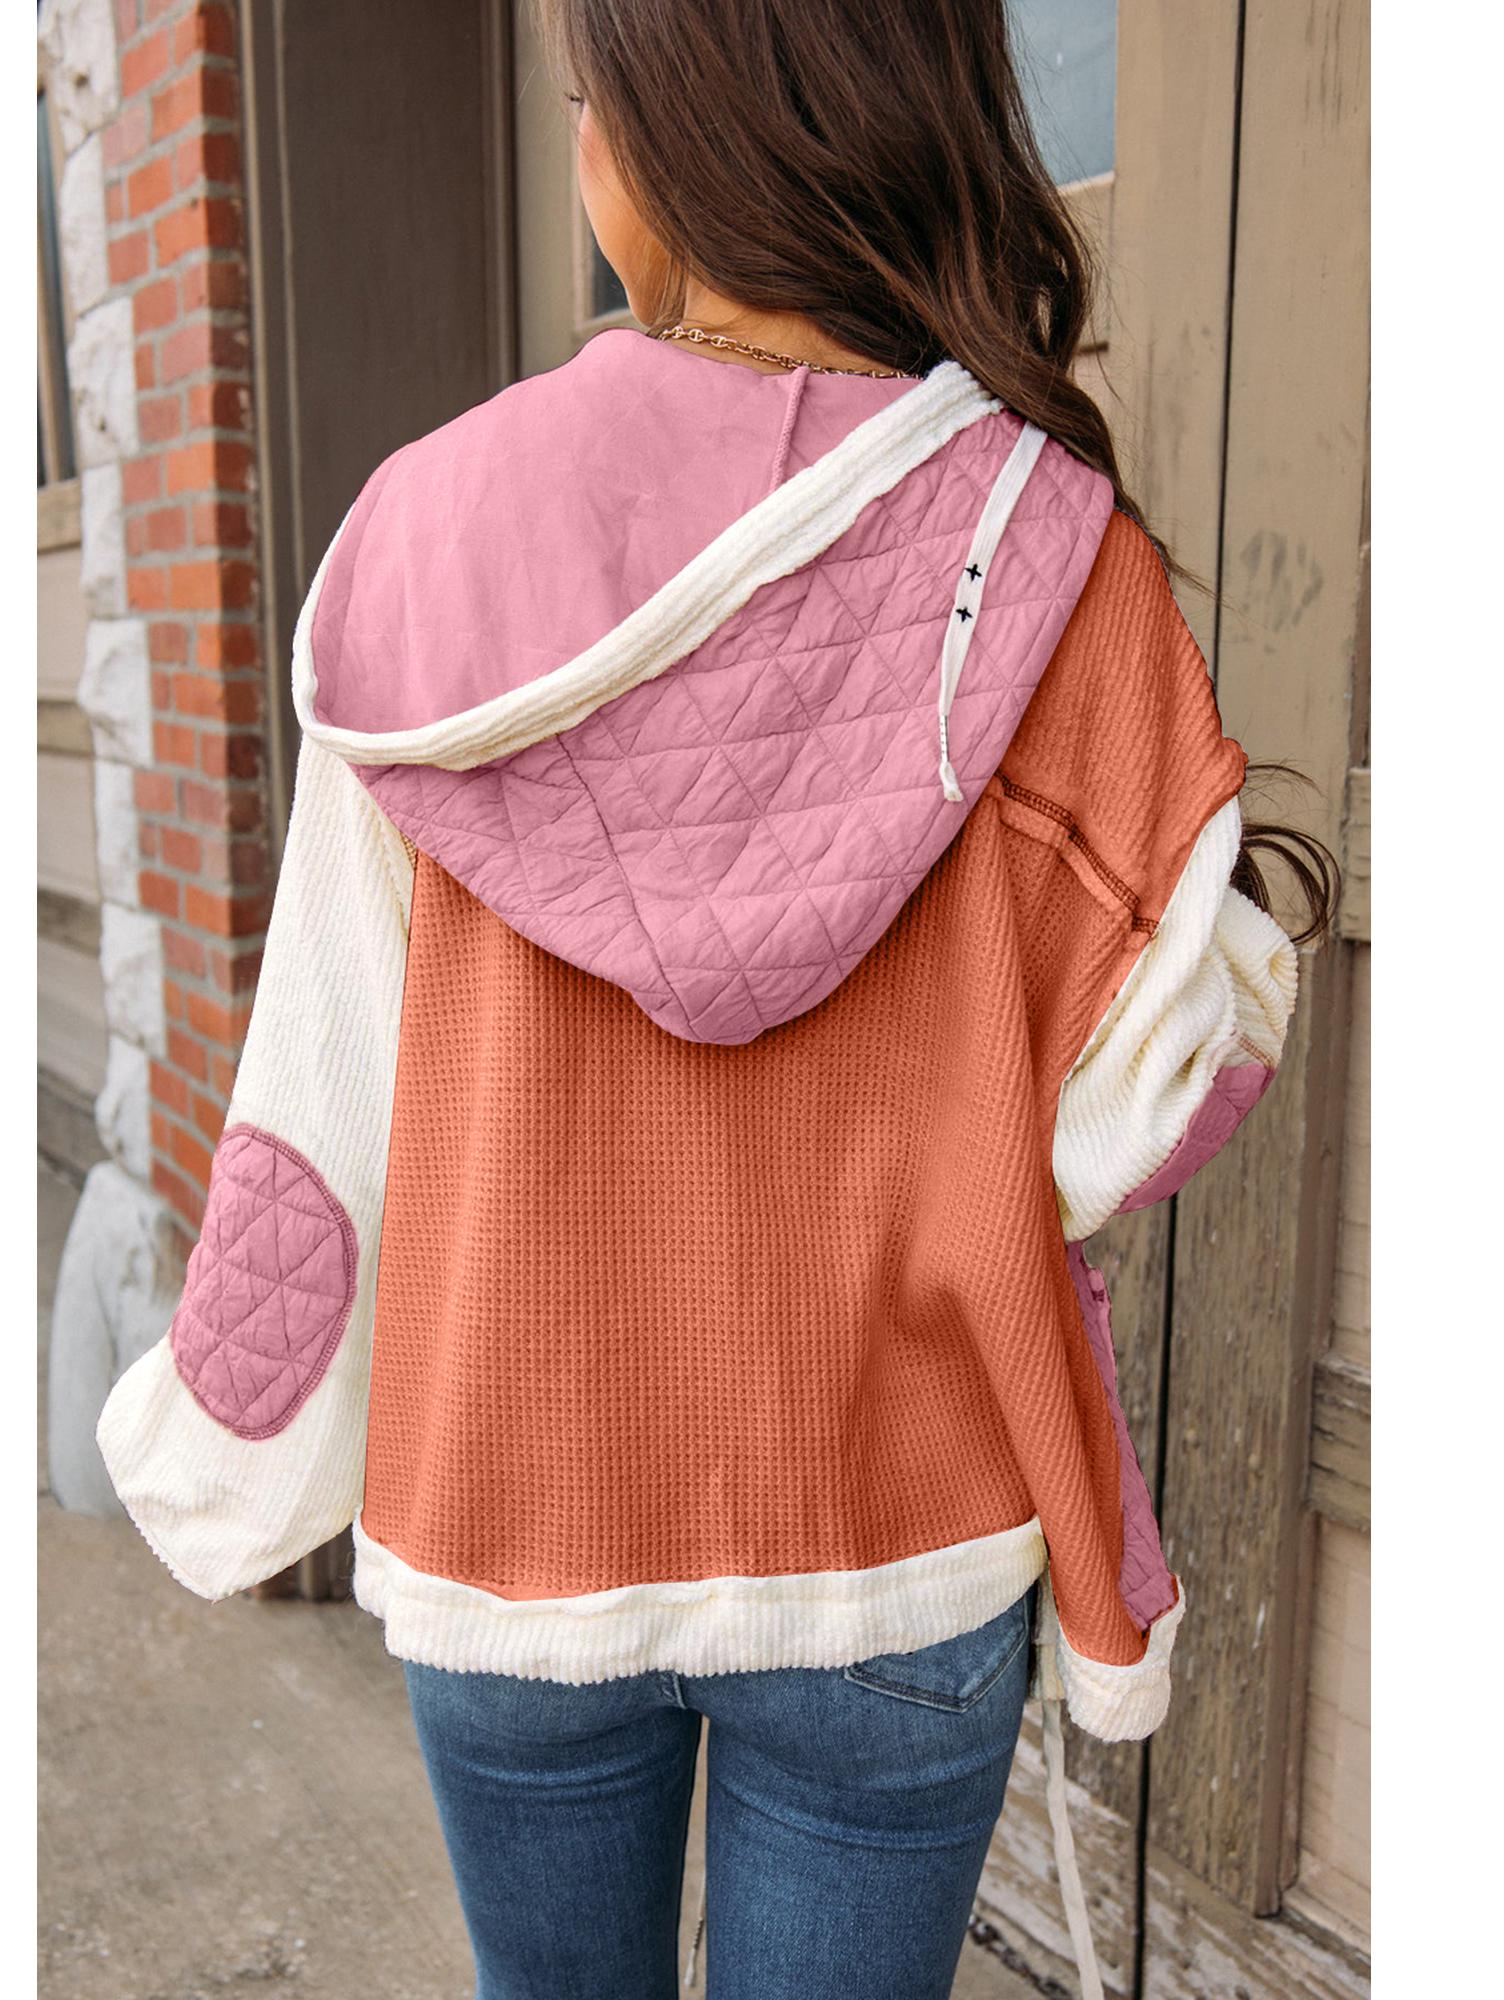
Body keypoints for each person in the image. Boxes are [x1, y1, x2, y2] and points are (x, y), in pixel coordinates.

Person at [96, 4, 1339, 1996]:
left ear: (662, 139)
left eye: (586, 100)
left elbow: (322, 1090)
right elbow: (1145, 1102)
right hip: (893, 1536)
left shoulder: (422, 544)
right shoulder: (1049, 549)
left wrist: (224, 1442)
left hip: (511, 1525)